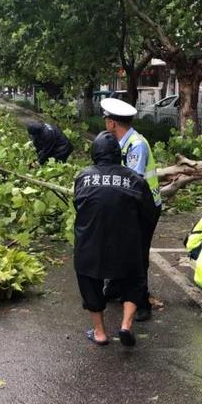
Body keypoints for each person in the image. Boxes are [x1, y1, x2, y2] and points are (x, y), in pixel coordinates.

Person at [73, 132, 156, 347]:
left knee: (89, 281)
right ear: (119, 154)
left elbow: (79, 207)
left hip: (91, 245)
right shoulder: (135, 180)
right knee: (134, 280)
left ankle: (100, 333)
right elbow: (148, 212)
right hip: (126, 244)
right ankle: (126, 326)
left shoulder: (83, 178)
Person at [100, 97, 162, 321]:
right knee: (118, 246)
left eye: (106, 120)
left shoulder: (136, 145)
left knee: (137, 254)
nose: (105, 123)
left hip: (144, 207)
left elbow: (132, 182)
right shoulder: (117, 141)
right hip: (129, 206)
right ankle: (116, 287)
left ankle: (141, 302)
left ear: (113, 123)